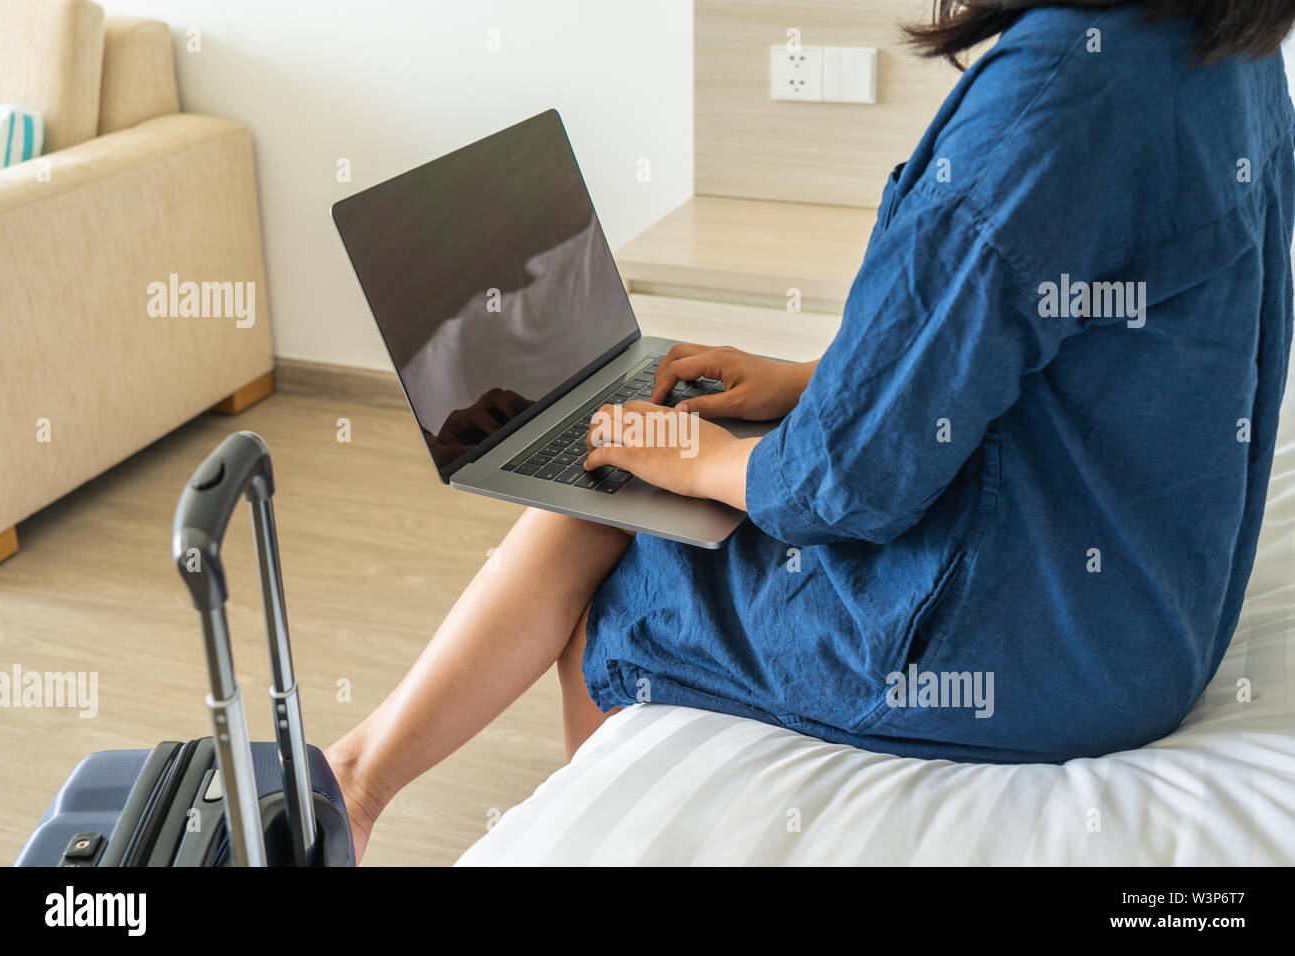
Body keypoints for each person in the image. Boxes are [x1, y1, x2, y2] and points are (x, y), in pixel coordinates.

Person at [326, 0, 1295, 861]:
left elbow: (850, 480)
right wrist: (803, 381)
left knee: (620, 574)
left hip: (1041, 646)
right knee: (647, 448)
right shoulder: (1222, 45)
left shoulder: (1056, 95)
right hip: (1158, 609)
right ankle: (355, 775)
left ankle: (365, 786)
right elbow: (1032, 342)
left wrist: (700, 457)